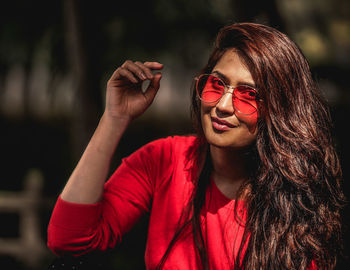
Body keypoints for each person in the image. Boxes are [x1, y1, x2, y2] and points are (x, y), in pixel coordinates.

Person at [47, 23, 346, 269]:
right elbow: (69, 238)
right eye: (217, 84)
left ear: (278, 110)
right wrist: (114, 118)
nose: (223, 106)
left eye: (248, 95)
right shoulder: (165, 159)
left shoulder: (294, 199)